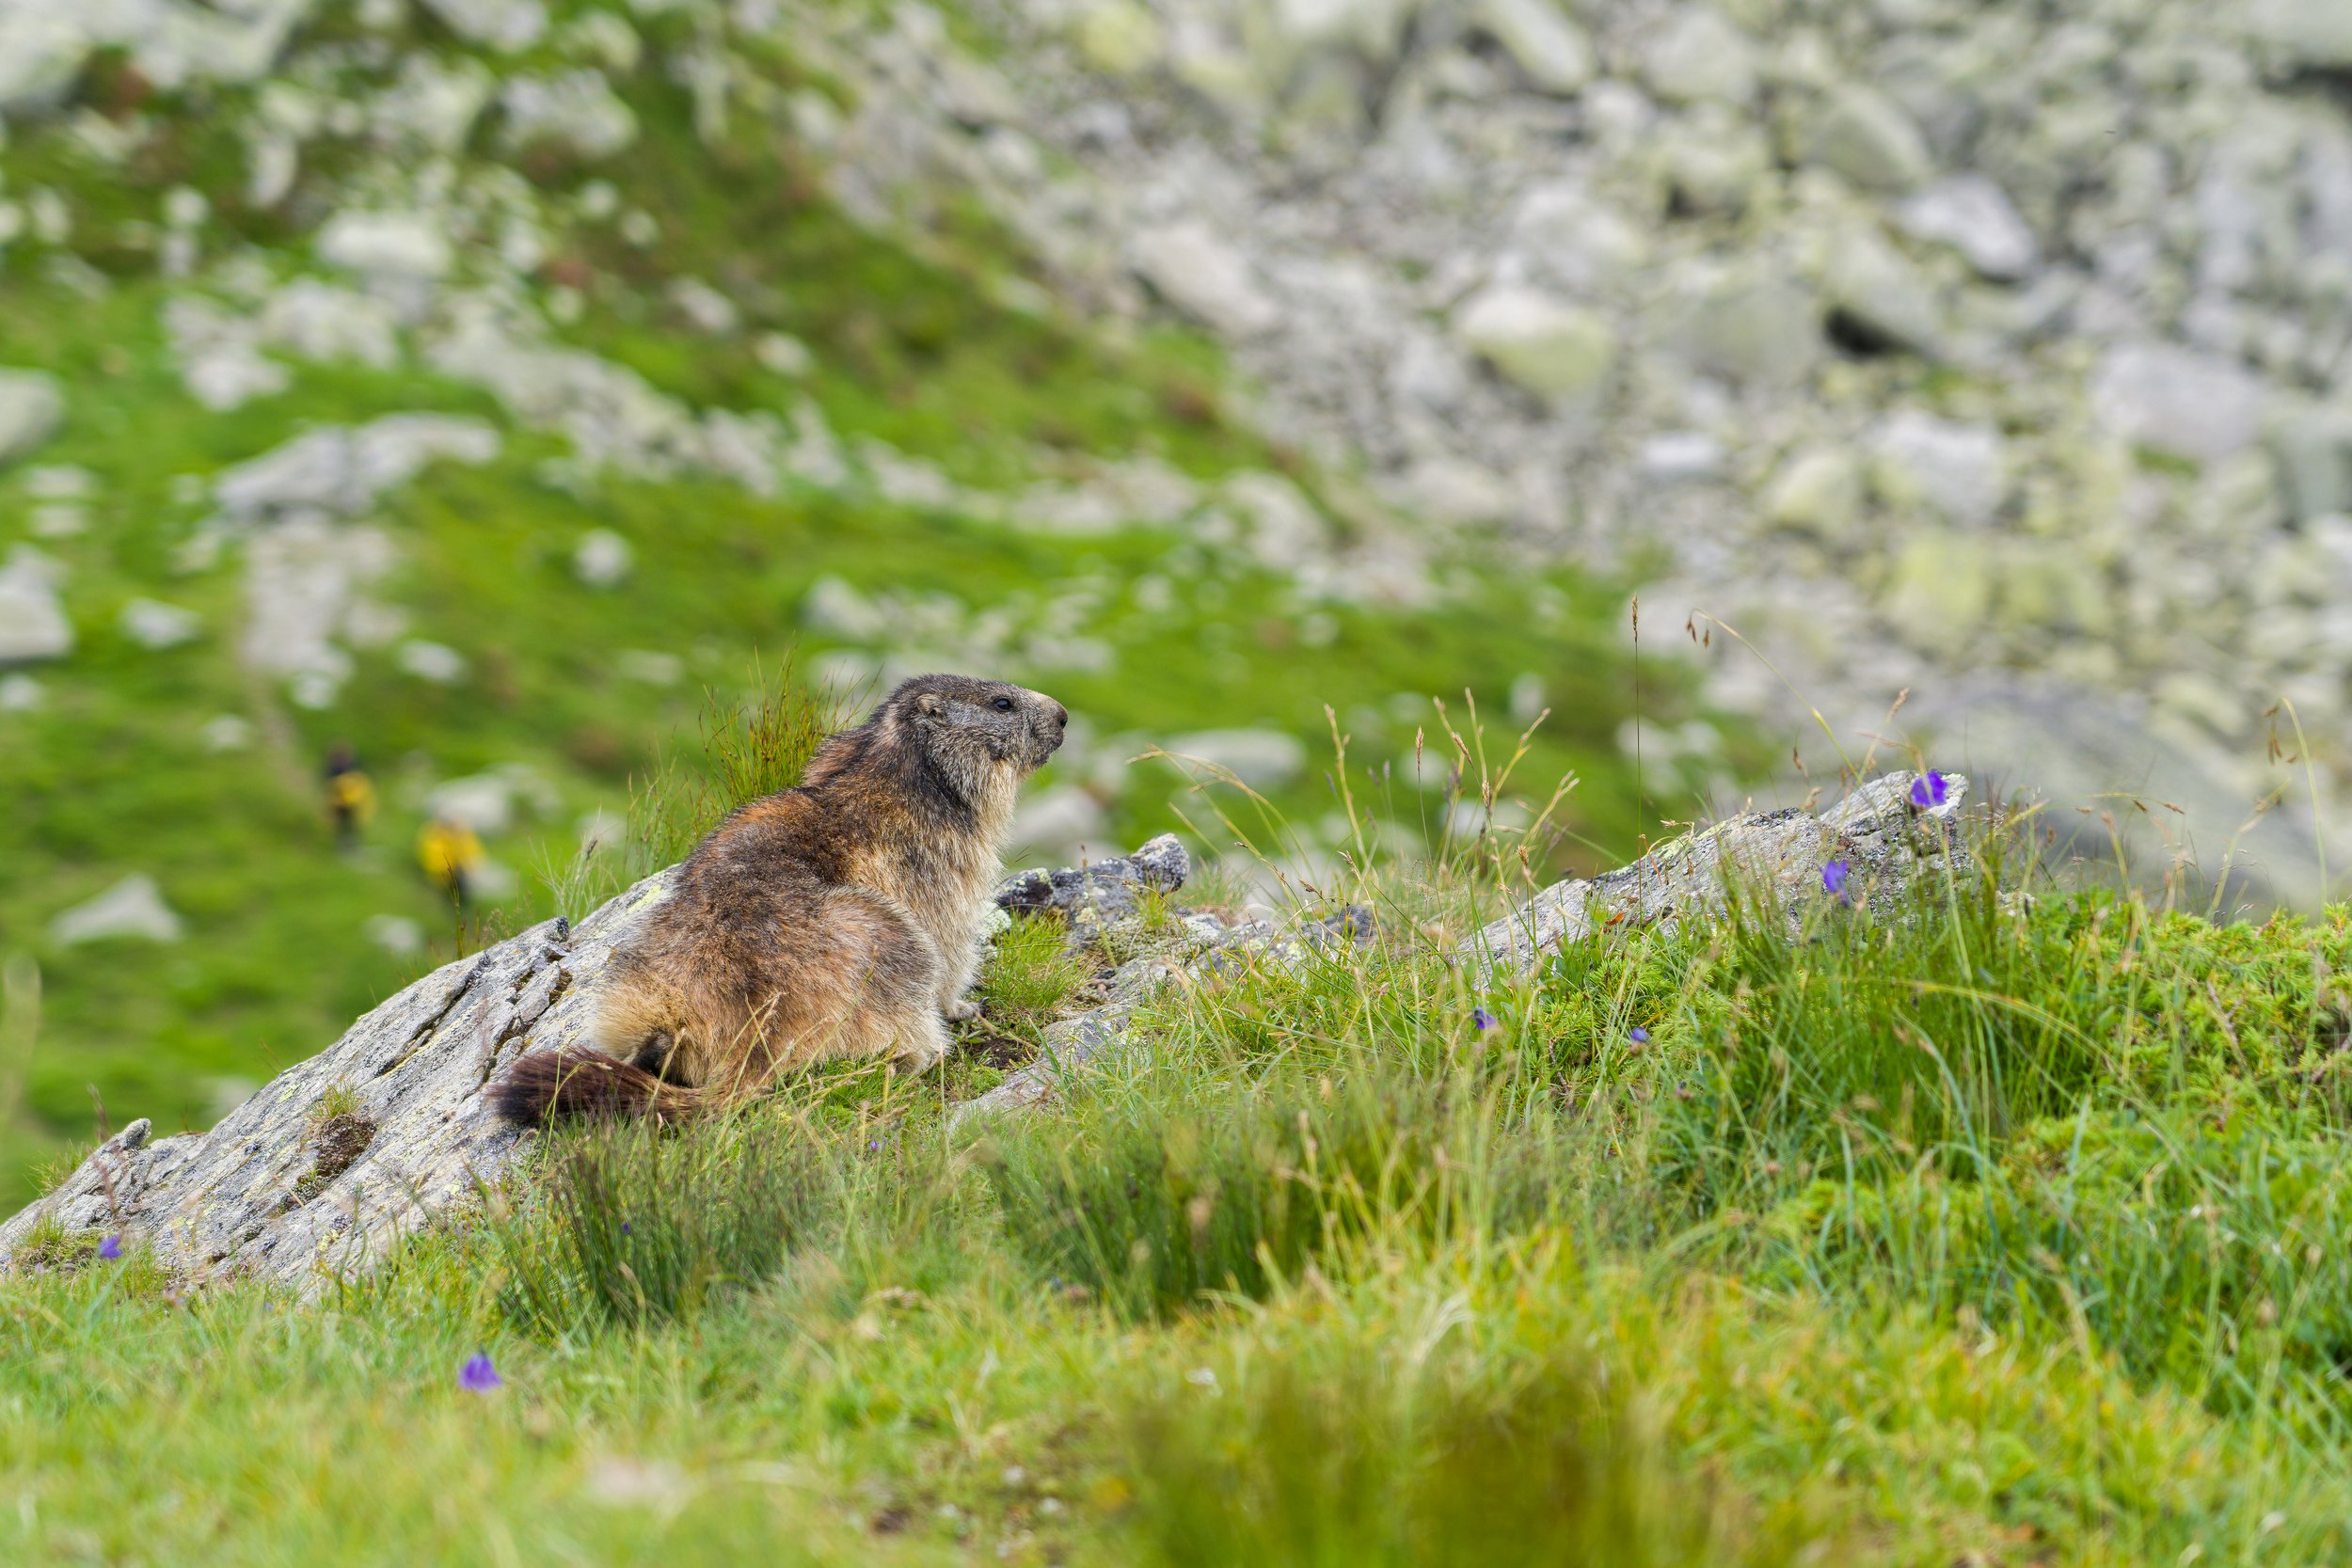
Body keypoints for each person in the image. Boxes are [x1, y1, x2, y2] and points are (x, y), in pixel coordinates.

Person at [417, 815, 485, 905]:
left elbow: (473, 854)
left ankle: (463, 904)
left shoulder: (463, 836)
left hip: (459, 873)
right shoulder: (436, 838)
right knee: (454, 891)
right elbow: (435, 862)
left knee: (464, 888)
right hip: (443, 876)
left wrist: (470, 866)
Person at [324, 744, 376, 850]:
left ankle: (352, 845)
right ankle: (341, 846)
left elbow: (360, 782)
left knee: (352, 825)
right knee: (340, 825)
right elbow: (328, 786)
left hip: (351, 802)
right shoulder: (332, 769)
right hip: (338, 803)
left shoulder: (354, 766)